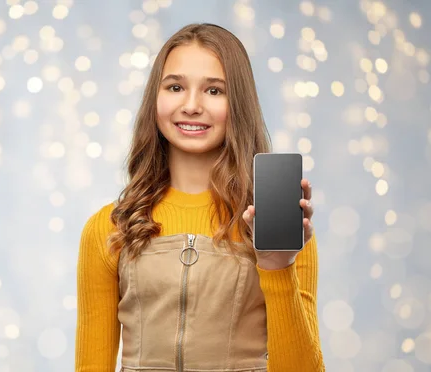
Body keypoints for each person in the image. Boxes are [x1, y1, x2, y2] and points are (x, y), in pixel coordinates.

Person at [75, 23, 324, 372]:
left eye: (214, 91)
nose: (191, 106)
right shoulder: (108, 228)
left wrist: (277, 266)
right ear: (155, 99)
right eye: (175, 87)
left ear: (238, 103)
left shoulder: (281, 227)